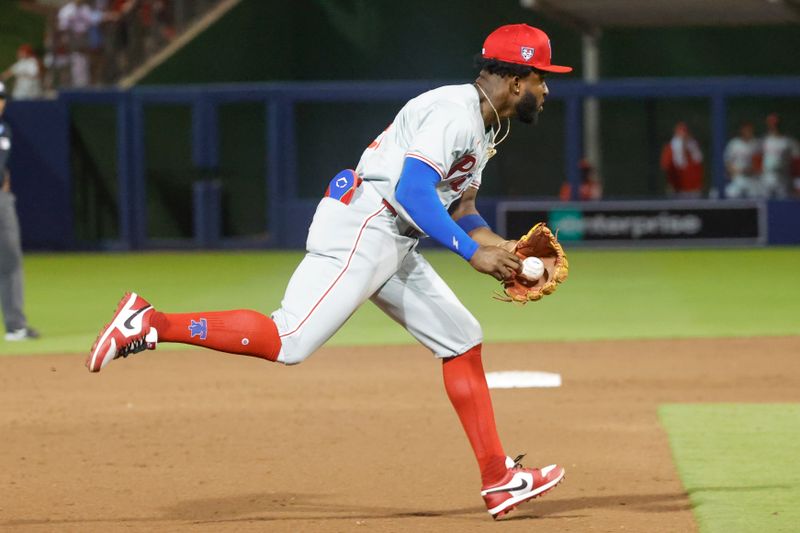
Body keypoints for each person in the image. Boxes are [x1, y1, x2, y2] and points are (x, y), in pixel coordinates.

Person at [87, 24, 569, 519]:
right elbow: (414, 192)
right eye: (542, 78)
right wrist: (471, 254)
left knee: (461, 339)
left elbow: (462, 207)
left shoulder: (487, 125)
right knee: (289, 339)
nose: (547, 89)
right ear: (517, 79)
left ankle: (499, 480)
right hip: (366, 224)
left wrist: (502, 250)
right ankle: (149, 323)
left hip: (390, 236)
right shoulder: (454, 113)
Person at [0, 83, 39, 341]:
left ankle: (16, 326)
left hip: (2, 200)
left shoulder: (5, 130)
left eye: (2, 98)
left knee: (11, 259)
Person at [660, 121, 704, 199]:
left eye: (685, 134)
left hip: (694, 192)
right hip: (677, 191)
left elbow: (698, 167)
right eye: (680, 135)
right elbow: (666, 167)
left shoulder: (694, 148)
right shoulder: (670, 148)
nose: (683, 137)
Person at [761, 113, 800, 199]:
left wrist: (797, 183)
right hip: (766, 177)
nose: (772, 126)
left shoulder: (788, 141)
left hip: (783, 177)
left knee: (783, 205)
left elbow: (797, 163)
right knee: (766, 205)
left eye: (774, 123)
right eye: (770, 123)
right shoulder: (763, 140)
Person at [724, 121, 762, 199]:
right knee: (731, 194)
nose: (748, 132)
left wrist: (753, 170)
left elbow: (759, 165)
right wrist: (738, 171)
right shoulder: (734, 144)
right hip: (737, 179)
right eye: (746, 130)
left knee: (757, 196)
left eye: (749, 130)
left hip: (753, 179)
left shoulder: (756, 144)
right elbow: (728, 163)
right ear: (741, 131)